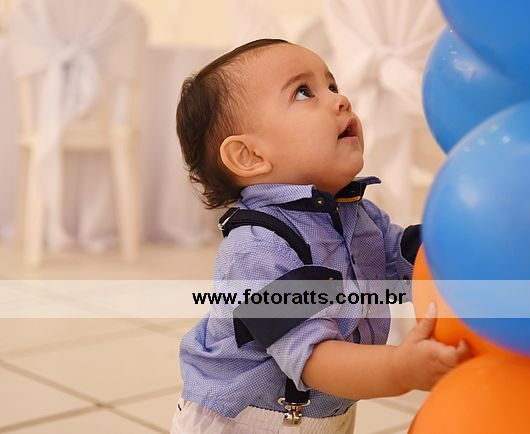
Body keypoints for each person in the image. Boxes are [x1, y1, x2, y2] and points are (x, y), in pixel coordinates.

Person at [171, 38, 470, 433]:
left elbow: (407, 262)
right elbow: (314, 359)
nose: (340, 100)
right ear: (250, 156)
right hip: (242, 421)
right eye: (303, 92)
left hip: (321, 414)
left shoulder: (358, 215)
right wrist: (401, 368)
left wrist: (462, 241)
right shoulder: (257, 247)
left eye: (332, 85)